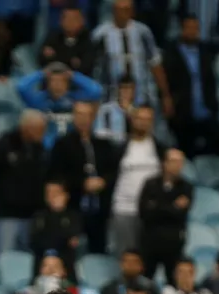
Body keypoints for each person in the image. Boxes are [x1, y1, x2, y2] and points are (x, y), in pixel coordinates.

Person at [49, 101, 117, 256]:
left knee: (99, 250)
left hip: (100, 209)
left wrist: (103, 182)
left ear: (93, 118)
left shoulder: (104, 145)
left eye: (86, 115)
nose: (83, 119)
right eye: (79, 114)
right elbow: (57, 175)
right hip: (73, 207)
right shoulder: (62, 144)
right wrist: (82, 183)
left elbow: (113, 171)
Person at [0, 110, 48, 257]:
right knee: (4, 256)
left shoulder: (39, 149)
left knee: (29, 258)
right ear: (27, 128)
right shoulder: (3, 145)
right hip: (7, 214)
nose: (43, 133)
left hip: (32, 214)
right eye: (39, 129)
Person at [91, 0, 171, 109]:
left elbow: (155, 63)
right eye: (121, 9)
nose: (125, 13)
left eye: (128, 9)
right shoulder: (100, 34)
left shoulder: (143, 32)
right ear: (114, 10)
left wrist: (165, 94)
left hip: (142, 97)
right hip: (110, 98)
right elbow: (94, 68)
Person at [163, 14, 219, 159]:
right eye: (189, 28)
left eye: (195, 28)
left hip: (206, 111)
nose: (192, 31)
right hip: (182, 113)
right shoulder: (170, 53)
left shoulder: (206, 52)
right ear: (182, 29)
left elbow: (212, 80)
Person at [109, 106, 163, 254]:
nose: (143, 123)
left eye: (148, 119)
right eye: (140, 118)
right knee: (126, 254)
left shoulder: (160, 148)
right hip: (124, 208)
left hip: (151, 211)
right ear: (132, 120)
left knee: (149, 255)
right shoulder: (120, 148)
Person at [17, 63, 103, 149]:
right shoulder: (40, 100)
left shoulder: (75, 99)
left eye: (61, 81)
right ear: (48, 83)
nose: (57, 84)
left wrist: (73, 75)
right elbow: (22, 87)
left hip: (72, 147)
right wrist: (42, 74)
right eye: (53, 81)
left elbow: (96, 91)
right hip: (47, 148)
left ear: (67, 83)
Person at [137, 148, 192, 281]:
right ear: (164, 163)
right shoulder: (150, 184)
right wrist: (172, 206)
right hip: (150, 241)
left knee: (173, 281)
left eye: (181, 162)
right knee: (145, 280)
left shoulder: (186, 187)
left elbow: (181, 214)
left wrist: (157, 206)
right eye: (174, 161)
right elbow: (144, 212)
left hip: (173, 243)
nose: (178, 165)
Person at [30, 182, 81, 283]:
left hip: (67, 267)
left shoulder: (74, 216)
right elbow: (35, 241)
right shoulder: (39, 216)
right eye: (49, 193)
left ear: (66, 195)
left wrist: (59, 213)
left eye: (56, 193)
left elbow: (72, 241)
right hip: (40, 267)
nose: (52, 196)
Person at [40, 4, 94, 74]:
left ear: (82, 21)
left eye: (74, 19)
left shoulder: (87, 41)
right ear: (60, 21)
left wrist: (56, 56)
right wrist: (71, 61)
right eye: (67, 18)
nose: (70, 22)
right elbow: (42, 59)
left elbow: (86, 66)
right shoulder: (53, 37)